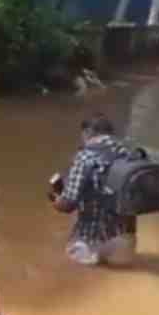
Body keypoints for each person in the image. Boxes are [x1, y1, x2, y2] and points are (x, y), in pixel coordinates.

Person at [50, 113, 139, 266]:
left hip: (91, 243)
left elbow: (67, 205)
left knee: (69, 268)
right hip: (125, 244)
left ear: (88, 132)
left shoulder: (84, 157)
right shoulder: (130, 155)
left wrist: (56, 200)